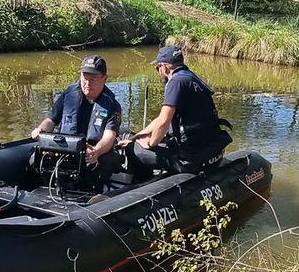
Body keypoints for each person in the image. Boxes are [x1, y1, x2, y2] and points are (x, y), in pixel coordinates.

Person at [124, 44, 233, 175]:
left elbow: (164, 121)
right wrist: (138, 136)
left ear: (164, 67)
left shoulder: (176, 83)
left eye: (157, 67)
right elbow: (161, 119)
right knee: (138, 141)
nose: (158, 71)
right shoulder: (189, 78)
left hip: (190, 158)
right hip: (209, 149)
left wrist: (149, 143)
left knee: (132, 150)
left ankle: (140, 187)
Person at [30, 54, 123, 189]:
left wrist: (96, 151)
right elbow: (51, 120)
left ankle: (93, 196)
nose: (87, 82)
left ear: (105, 79)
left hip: (92, 150)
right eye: (84, 77)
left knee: (103, 163)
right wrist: (40, 130)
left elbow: (110, 136)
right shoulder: (69, 95)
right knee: (35, 158)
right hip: (66, 147)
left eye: (93, 79)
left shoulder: (113, 105)